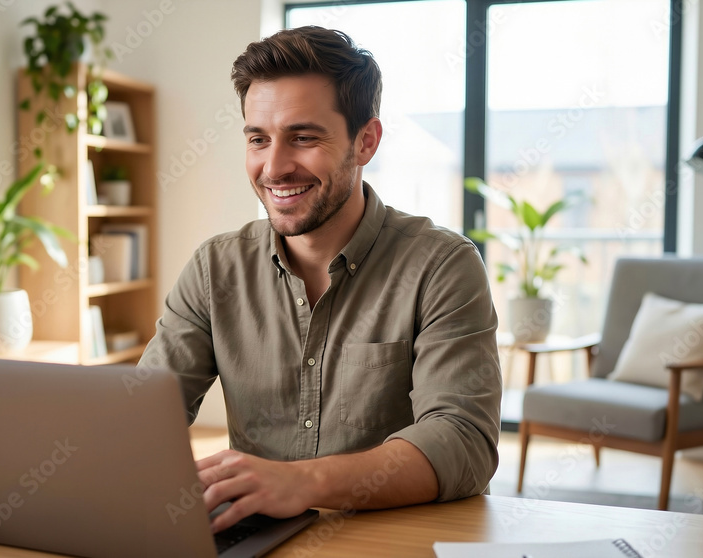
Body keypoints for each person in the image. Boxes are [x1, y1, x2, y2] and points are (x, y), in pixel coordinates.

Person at [138, 25, 501, 532]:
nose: (275, 167)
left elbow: (463, 442)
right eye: (258, 139)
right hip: (256, 538)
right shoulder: (214, 268)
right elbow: (142, 419)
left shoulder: (442, 265)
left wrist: (302, 482)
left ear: (366, 141)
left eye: (304, 138)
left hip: (392, 538)